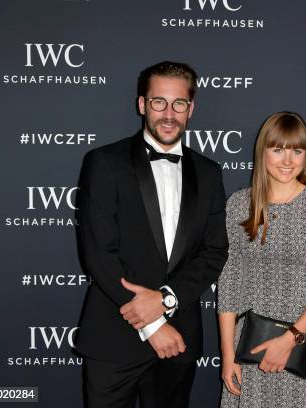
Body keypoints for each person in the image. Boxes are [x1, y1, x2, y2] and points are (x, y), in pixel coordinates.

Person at [75, 61, 228, 408]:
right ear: (142, 104)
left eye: (179, 104)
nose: (169, 114)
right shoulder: (104, 162)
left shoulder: (208, 173)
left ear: (192, 108)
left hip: (178, 341)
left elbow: (215, 251)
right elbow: (99, 252)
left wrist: (168, 300)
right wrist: (153, 325)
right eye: (159, 102)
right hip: (114, 338)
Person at [217, 112, 306, 408]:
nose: (288, 160)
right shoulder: (240, 204)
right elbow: (229, 283)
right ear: (262, 151)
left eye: (296, 151)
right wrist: (228, 356)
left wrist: (289, 339)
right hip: (250, 348)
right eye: (278, 150)